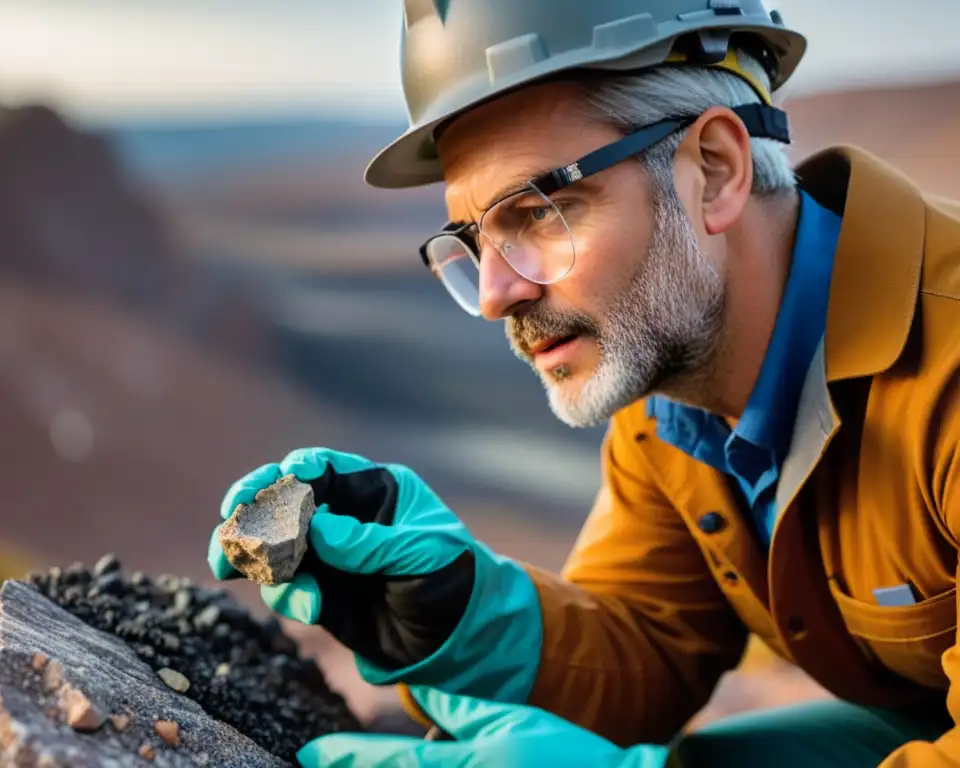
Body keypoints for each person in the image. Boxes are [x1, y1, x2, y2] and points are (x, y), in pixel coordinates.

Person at [208, 1, 960, 765]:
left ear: (717, 172)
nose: (497, 295)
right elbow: (650, 643)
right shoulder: (673, 396)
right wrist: (455, 612)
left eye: (537, 211)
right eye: (475, 241)